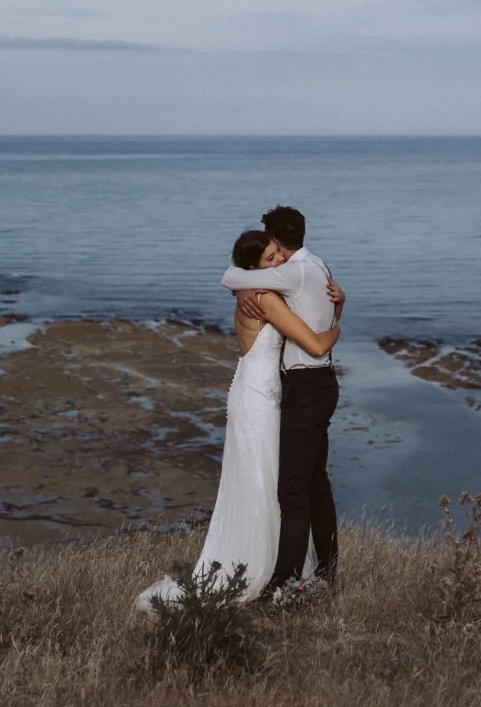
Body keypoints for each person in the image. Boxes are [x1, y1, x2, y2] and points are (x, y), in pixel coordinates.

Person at [135, 226, 344, 610]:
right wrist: (335, 330)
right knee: (266, 482)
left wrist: (338, 301)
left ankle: (273, 568)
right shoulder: (264, 297)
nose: (279, 260)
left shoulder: (261, 292)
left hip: (259, 393)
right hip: (258, 398)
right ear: (254, 269)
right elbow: (313, 342)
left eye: (278, 254)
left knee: (265, 481)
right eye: (270, 258)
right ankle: (266, 573)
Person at [236, 204, 344, 600]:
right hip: (316, 384)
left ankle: (285, 582)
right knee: (315, 484)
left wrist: (244, 282)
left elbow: (232, 272)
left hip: (307, 385)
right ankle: (328, 574)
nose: (274, 256)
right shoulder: (318, 264)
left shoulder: (291, 272)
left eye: (273, 248)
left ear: (278, 242)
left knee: (293, 488)